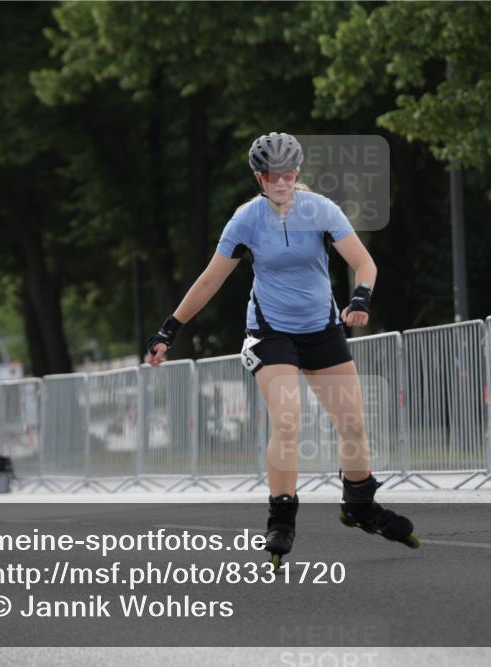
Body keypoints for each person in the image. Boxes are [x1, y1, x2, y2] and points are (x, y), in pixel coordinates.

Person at [146, 133, 418, 569]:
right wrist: (169, 330)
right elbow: (209, 281)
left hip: (322, 328)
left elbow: (364, 263)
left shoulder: (321, 210)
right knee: (288, 419)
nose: (282, 183)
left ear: (298, 174)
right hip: (270, 331)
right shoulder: (245, 221)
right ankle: (282, 518)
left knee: (351, 421)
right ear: (259, 177)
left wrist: (361, 298)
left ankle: (360, 505)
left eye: (289, 175)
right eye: (273, 177)